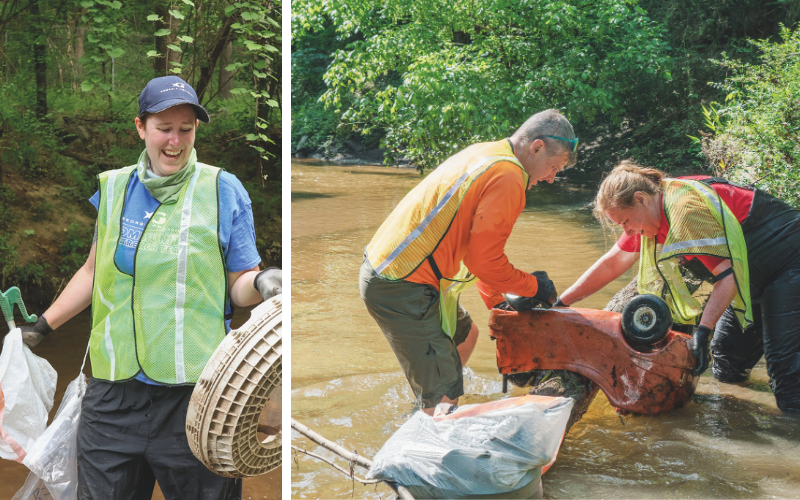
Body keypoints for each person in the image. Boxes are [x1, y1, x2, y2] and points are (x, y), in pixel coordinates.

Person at [16, 76, 282, 499]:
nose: (175, 141)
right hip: (112, 399)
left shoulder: (222, 189)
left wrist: (265, 282)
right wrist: (42, 327)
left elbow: (239, 286)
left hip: (201, 402)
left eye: (186, 130)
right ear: (141, 127)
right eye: (164, 128)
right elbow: (92, 271)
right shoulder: (116, 188)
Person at [360, 109, 577, 415]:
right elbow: (484, 262)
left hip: (392, 272)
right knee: (445, 391)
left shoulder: (487, 152)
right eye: (553, 167)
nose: (552, 179)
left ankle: (423, 408)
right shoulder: (510, 176)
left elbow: (474, 250)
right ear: (537, 147)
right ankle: (430, 422)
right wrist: (534, 287)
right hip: (401, 284)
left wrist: (498, 304)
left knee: (466, 337)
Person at [558, 161, 800, 413]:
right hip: (750, 275)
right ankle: (739, 422)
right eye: (621, 226)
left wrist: (702, 334)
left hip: (790, 263)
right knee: (728, 361)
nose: (627, 231)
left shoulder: (685, 212)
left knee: (786, 377)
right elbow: (611, 264)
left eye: (626, 221)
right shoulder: (650, 215)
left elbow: (726, 277)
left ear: (640, 199)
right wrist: (561, 302)